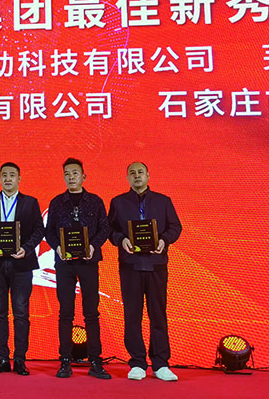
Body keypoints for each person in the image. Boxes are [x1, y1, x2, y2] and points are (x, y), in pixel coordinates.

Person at [108, 162, 182, 382]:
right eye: (132, 173)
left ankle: (160, 364)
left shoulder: (163, 201)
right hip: (130, 265)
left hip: (156, 264)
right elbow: (110, 229)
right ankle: (137, 362)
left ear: (148, 175)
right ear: (127, 178)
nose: (137, 176)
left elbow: (175, 227)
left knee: (158, 314)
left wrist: (164, 240)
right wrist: (121, 240)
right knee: (132, 315)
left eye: (140, 172)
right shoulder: (118, 202)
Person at [0, 162, 44, 376]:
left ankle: (20, 359)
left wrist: (26, 248)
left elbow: (39, 229)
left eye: (12, 175)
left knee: (21, 312)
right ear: (0, 178)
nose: (8, 179)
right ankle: (2, 358)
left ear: (19, 179)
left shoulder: (30, 202)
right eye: (4, 175)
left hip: (21, 263)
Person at [45, 158, 111, 379]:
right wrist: (57, 247)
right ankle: (65, 360)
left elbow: (105, 227)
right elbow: (49, 231)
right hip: (64, 263)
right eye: (67, 174)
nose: (71, 177)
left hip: (88, 262)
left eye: (75, 173)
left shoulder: (95, 201)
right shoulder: (56, 203)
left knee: (91, 313)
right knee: (65, 313)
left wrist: (93, 245)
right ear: (63, 177)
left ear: (84, 176)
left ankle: (96, 361)